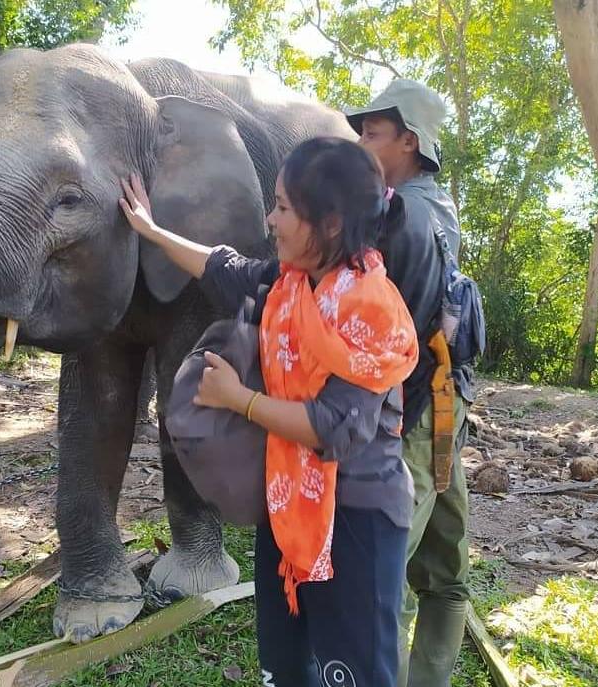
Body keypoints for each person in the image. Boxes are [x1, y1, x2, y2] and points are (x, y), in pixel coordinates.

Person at [119, 138, 419, 687]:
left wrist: (240, 400)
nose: (269, 219)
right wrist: (151, 230)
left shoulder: (367, 310)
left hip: (356, 517)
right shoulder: (287, 285)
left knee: (351, 673)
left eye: (282, 207)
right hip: (288, 504)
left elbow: (334, 428)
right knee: (284, 666)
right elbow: (218, 267)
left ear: (329, 224)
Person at [346, 79, 473, 687]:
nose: (362, 143)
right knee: (446, 572)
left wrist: (380, 428)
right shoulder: (438, 205)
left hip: (420, 414)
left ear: (410, 141)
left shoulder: (404, 213)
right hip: (451, 406)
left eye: (373, 133)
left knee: (386, 574)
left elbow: (398, 339)